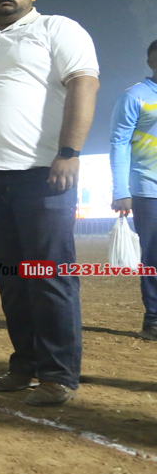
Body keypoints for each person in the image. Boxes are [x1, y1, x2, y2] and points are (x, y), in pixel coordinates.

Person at [0, 0, 99, 407]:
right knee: (11, 280)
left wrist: (69, 152)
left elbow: (84, 84)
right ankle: (25, 364)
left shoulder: (57, 29)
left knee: (49, 275)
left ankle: (58, 374)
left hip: (42, 174)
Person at [110, 40, 157, 339]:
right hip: (148, 190)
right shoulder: (134, 96)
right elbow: (119, 143)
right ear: (151, 61)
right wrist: (120, 189)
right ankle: (154, 318)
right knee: (153, 256)